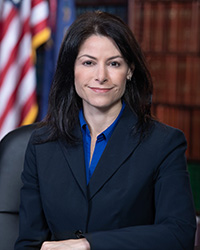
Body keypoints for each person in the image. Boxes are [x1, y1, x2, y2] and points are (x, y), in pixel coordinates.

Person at [15, 11, 196, 250]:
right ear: (72, 69)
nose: (101, 76)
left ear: (129, 70)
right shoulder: (41, 142)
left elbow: (179, 234)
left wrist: (90, 245)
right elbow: (28, 243)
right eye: (88, 62)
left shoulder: (164, 143)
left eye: (114, 63)